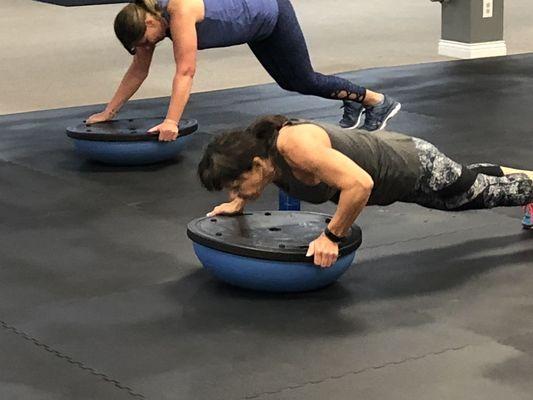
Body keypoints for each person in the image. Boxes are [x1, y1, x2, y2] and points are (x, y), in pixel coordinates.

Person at [197, 115, 533, 268]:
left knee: (481, 195)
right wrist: (239, 202)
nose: (235, 192)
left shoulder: (296, 147)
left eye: (237, 186)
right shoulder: (261, 152)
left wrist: (332, 236)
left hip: (411, 165)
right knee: (469, 184)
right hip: (399, 173)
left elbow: (360, 185)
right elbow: (247, 178)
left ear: (256, 165)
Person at [86, 0, 401, 139]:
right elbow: (137, 71)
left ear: (150, 22)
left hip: (271, 14)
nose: (147, 46)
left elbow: (186, 71)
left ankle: (376, 101)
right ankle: (352, 99)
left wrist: (171, 121)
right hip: (253, 27)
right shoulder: (147, 20)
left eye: (145, 40)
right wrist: (108, 113)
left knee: (303, 79)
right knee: (292, 83)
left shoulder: (178, 11)